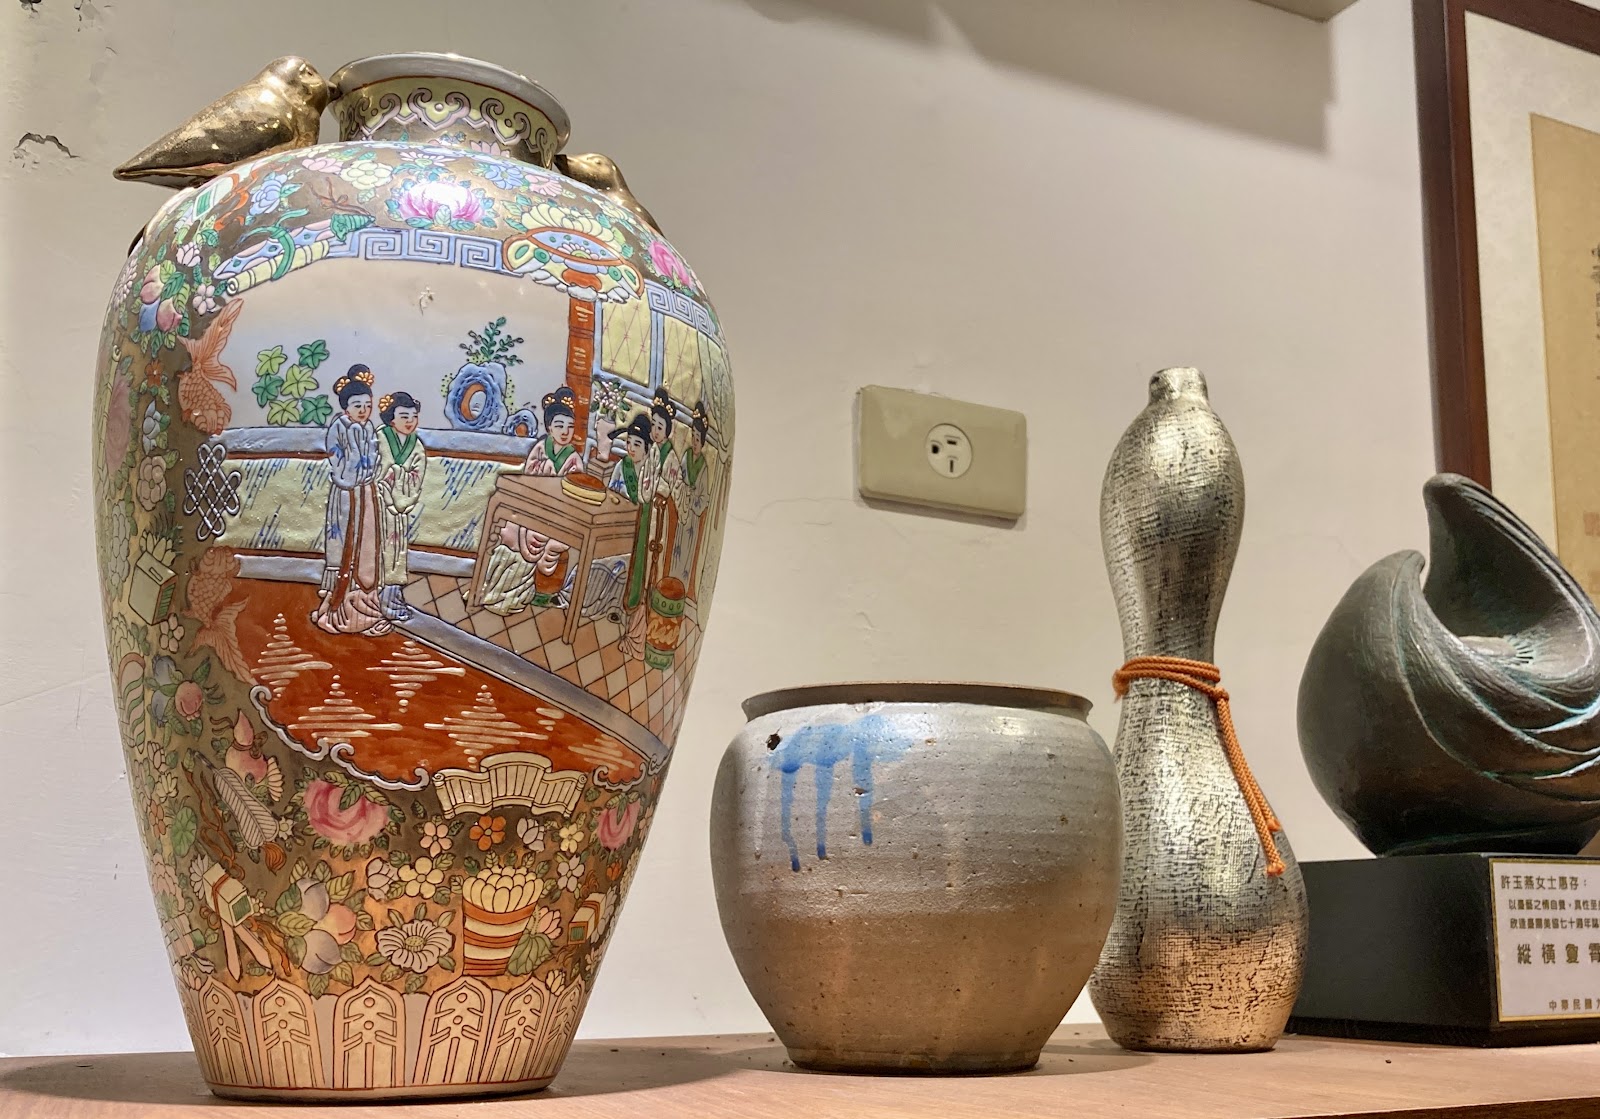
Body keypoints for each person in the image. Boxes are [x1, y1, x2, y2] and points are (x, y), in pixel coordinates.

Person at [478, 387, 584, 615]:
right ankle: (491, 590)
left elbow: (573, 493)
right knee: (510, 532)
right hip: (532, 509)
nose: (565, 432)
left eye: (569, 426)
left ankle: (513, 596)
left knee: (542, 540)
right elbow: (528, 479)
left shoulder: (574, 459)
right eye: (559, 426)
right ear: (549, 428)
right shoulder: (539, 448)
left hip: (557, 517)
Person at [311, 366, 390, 636]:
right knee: (346, 545)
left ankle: (366, 609)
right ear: (346, 407)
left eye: (368, 405)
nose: (364, 411)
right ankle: (339, 611)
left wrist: (370, 475)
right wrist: (353, 476)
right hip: (346, 493)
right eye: (358, 405)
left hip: (366, 492)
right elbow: (338, 460)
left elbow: (376, 457)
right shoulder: (339, 427)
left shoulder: (369, 428)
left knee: (366, 547)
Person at [375, 391, 426, 621]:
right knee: (375, 548)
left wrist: (397, 476)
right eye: (404, 416)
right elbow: (372, 469)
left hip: (398, 509)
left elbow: (417, 476)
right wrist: (386, 483)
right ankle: (371, 598)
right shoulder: (379, 438)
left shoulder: (417, 446)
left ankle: (391, 597)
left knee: (396, 551)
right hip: (377, 503)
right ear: (391, 418)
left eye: (413, 416)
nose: (410, 421)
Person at [670, 400, 717, 601]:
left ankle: (680, 593)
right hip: (683, 511)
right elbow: (679, 479)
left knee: (687, 554)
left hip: (692, 519)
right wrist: (684, 493)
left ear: (703, 442)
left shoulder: (704, 467)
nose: (695, 442)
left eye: (698, 439)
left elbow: (704, 497)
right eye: (694, 437)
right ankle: (671, 586)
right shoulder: (686, 456)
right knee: (676, 551)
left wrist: (693, 499)